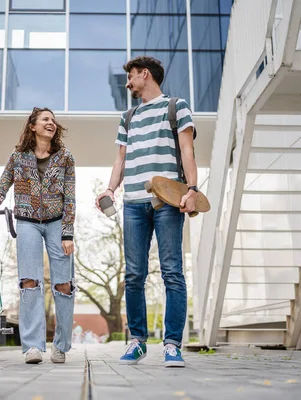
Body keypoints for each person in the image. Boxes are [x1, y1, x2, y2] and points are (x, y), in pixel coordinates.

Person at [95, 56, 198, 368]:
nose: (128, 83)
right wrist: (110, 189)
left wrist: (192, 189)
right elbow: (121, 160)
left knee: (172, 272)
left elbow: (187, 150)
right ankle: (137, 342)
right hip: (134, 204)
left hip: (169, 201)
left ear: (145, 74)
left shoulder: (176, 106)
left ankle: (172, 345)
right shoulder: (128, 117)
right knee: (134, 274)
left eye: (131, 77)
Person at [0, 107, 76, 364]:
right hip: (27, 223)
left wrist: (68, 233)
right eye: (45, 119)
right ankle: (32, 346)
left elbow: (70, 198)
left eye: (53, 120)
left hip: (57, 224)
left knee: (63, 285)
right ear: (32, 126)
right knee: (29, 282)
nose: (51, 123)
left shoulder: (65, 157)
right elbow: (2, 184)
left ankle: (61, 346)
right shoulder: (18, 157)